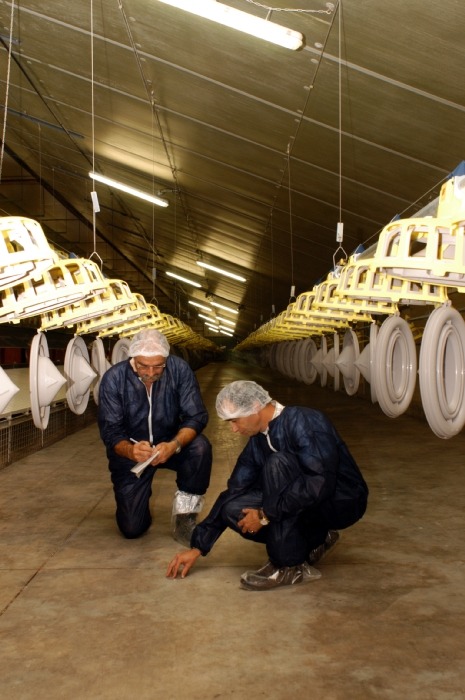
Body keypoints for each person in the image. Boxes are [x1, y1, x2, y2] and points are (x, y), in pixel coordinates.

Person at [167, 380, 368, 591]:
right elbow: (235, 489)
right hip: (305, 503)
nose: (233, 429)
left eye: (235, 420)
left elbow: (320, 483)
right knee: (232, 508)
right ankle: (315, 538)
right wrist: (199, 547)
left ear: (255, 406)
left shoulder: (305, 422)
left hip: (340, 500)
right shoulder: (259, 440)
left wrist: (264, 515)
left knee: (277, 464)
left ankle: (287, 565)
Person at [98, 328, 212, 546]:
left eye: (158, 366)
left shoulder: (179, 370)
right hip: (132, 450)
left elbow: (196, 416)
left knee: (200, 448)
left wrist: (175, 444)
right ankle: (136, 507)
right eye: (143, 365)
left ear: (166, 359)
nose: (150, 372)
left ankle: (186, 516)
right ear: (133, 358)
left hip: (168, 443)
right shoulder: (114, 379)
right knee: (132, 529)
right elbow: (110, 431)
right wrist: (131, 451)